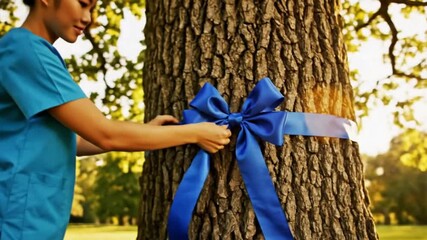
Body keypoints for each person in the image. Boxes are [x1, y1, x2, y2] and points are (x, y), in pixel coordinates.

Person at [0, 0, 231, 239]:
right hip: (16, 222)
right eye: (83, 4)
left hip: (33, 220)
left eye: (91, 8)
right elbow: (105, 133)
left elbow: (77, 140)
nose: (89, 18)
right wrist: (196, 133)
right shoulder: (25, 50)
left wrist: (146, 132)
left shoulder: (31, 51)